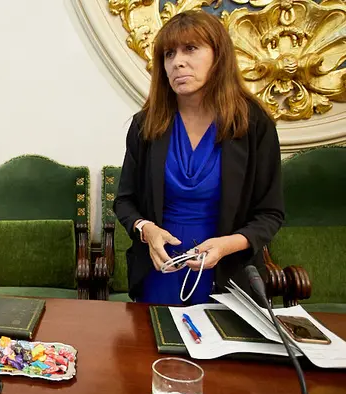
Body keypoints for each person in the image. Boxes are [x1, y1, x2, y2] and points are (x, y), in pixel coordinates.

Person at [113, 10, 284, 304]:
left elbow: (270, 214)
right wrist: (146, 230)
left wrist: (228, 245)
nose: (177, 62)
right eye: (168, 54)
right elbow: (124, 201)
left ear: (219, 56)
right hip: (160, 272)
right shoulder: (146, 125)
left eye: (190, 49)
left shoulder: (253, 123)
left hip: (228, 275)